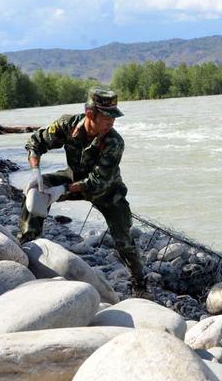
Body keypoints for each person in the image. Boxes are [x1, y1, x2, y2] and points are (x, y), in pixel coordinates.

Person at [19, 87, 150, 298]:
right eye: (107, 117)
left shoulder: (114, 142)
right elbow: (35, 142)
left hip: (108, 190)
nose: (112, 122)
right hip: (73, 177)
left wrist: (61, 190)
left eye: (114, 117)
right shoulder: (66, 125)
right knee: (36, 190)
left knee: (124, 239)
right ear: (90, 114)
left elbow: (98, 181)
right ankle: (27, 250)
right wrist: (35, 170)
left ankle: (140, 283)